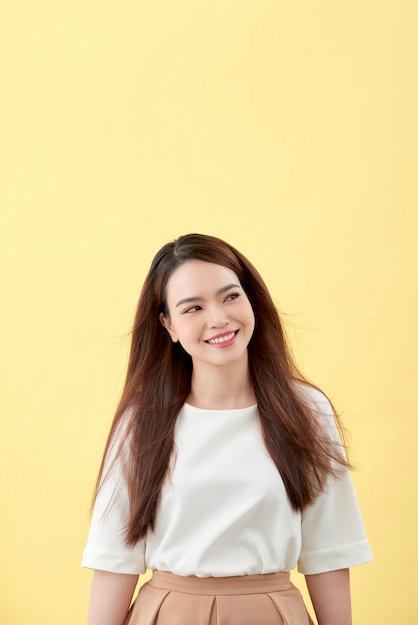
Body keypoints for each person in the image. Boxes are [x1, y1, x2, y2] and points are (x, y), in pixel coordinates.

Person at [82, 233, 372, 625]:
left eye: (231, 296)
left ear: (251, 299)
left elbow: (330, 553)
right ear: (168, 325)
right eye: (193, 307)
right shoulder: (143, 422)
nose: (218, 319)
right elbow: (115, 559)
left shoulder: (305, 410)